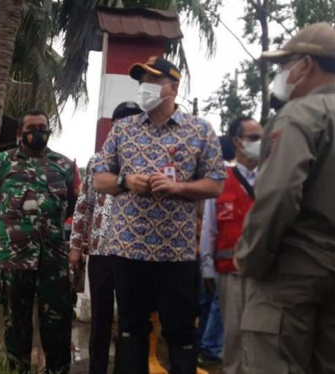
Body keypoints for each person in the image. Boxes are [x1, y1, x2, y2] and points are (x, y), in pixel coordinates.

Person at [234, 22, 335, 373]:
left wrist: (252, 258)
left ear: (306, 65)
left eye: (284, 64)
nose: (281, 74)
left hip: (294, 277)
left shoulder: (299, 114)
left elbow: (279, 192)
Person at [93, 56, 226, 374]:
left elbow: (216, 184)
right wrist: (126, 181)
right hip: (127, 250)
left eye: (153, 81)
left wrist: (178, 188)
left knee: (180, 334)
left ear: (174, 87)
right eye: (142, 82)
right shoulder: (123, 130)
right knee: (130, 329)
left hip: (174, 253)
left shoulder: (200, 130)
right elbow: (99, 178)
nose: (145, 88)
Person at [0, 109, 77, 374]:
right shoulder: (1, 162)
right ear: (20, 133)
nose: (37, 132)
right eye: (31, 128)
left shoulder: (64, 165)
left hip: (53, 258)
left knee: (57, 322)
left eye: (43, 127)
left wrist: (49, 227)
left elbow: (72, 205)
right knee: (16, 323)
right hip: (14, 257)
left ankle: (56, 370)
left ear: (48, 131)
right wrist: (5, 224)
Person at [70, 101, 142, 374]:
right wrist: (75, 246)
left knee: (129, 317)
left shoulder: (145, 164)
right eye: (120, 122)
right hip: (100, 253)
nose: (125, 126)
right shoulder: (97, 162)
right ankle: (97, 369)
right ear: (112, 127)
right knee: (99, 317)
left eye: (132, 121)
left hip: (133, 253)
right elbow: (83, 206)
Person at [200, 117, 262, 374]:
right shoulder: (221, 179)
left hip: (265, 273)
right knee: (233, 336)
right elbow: (209, 227)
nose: (260, 143)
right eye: (253, 138)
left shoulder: (272, 178)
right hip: (230, 271)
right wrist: (207, 266)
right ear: (237, 141)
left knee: (261, 337)